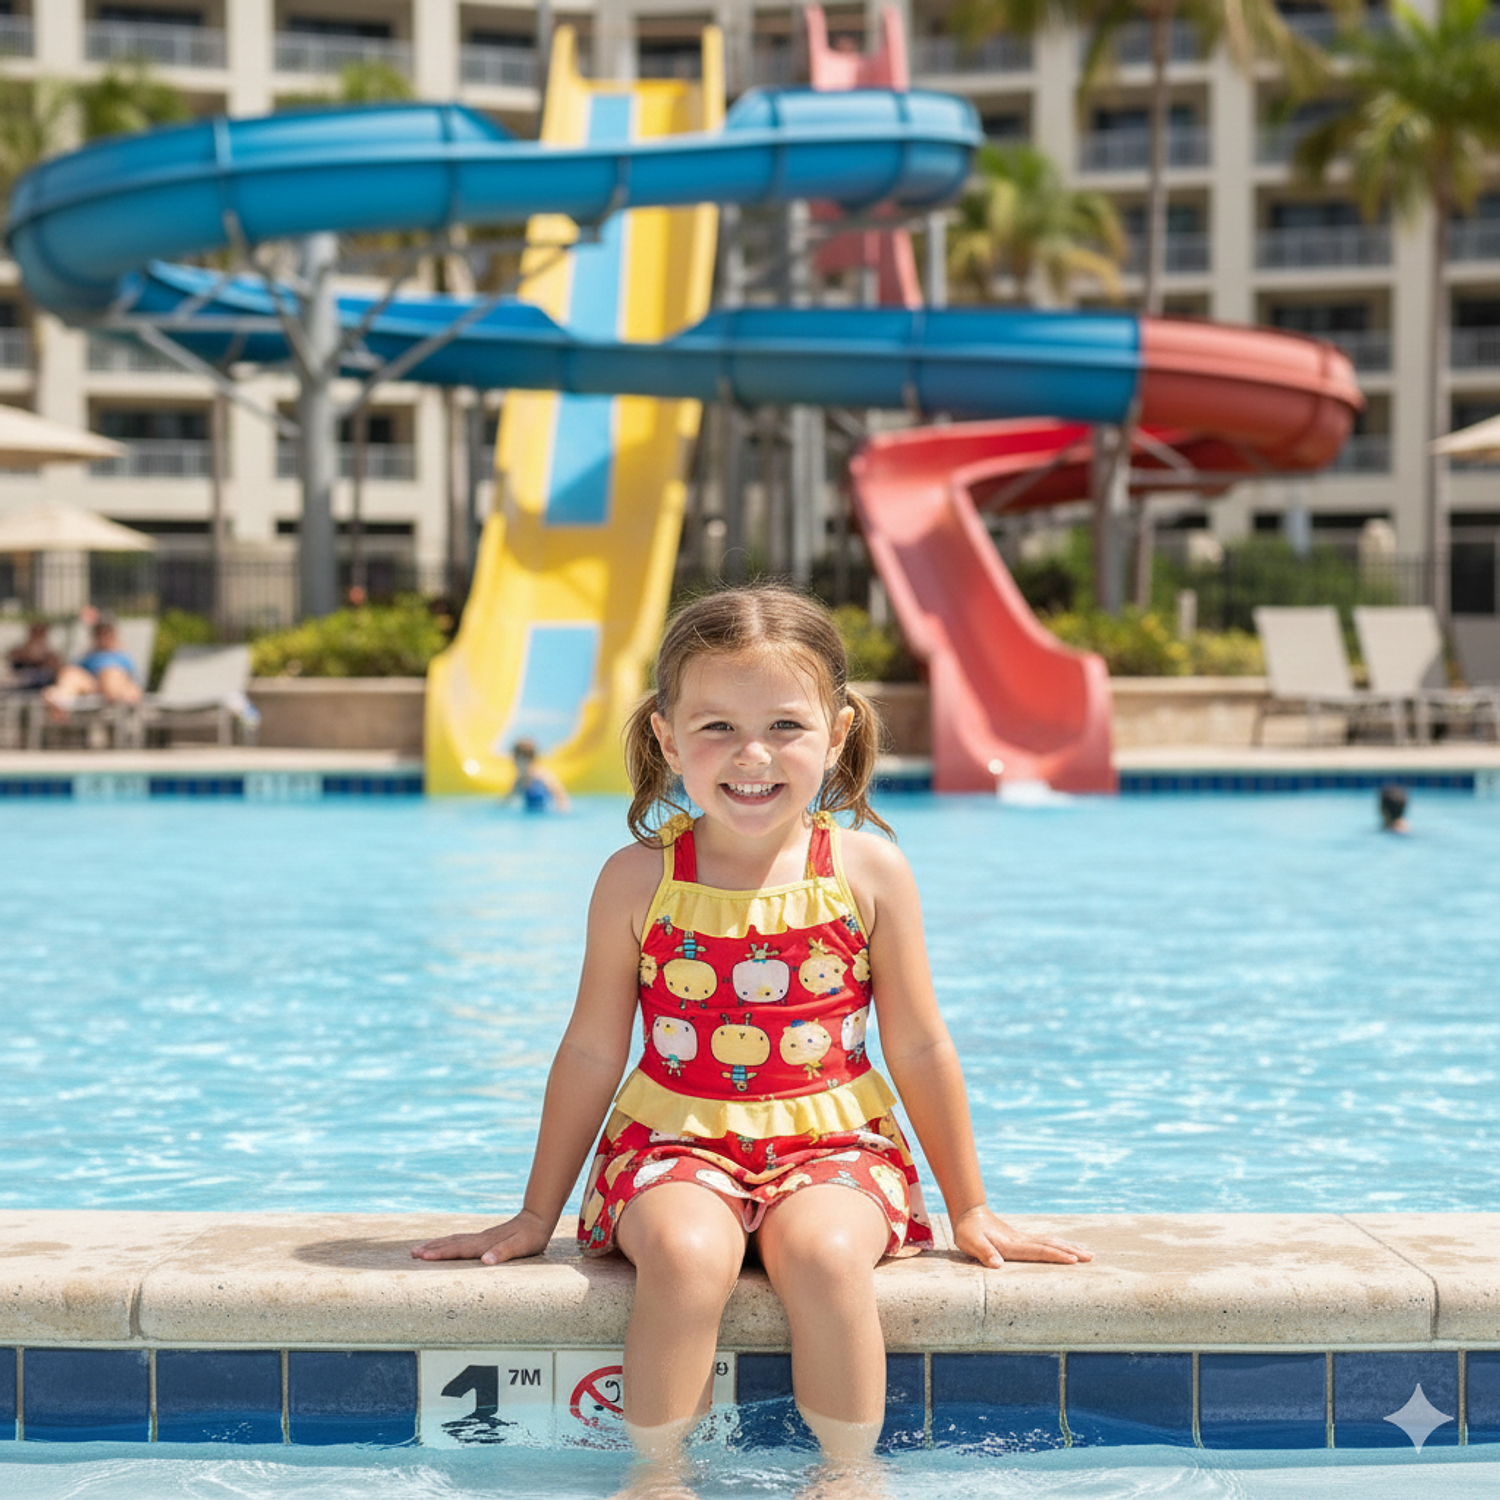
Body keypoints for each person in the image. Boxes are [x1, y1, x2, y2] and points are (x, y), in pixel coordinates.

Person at [412, 584, 1089, 1486]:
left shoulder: (869, 871)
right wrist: (539, 1213)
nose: (752, 756)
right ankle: (655, 1476)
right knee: (690, 1258)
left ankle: (847, 1474)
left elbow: (921, 1045)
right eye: (717, 728)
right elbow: (589, 1049)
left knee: (826, 1254)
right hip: (671, 1140)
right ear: (664, 735)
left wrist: (969, 1206)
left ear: (838, 731)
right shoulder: (635, 879)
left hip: (833, 1143)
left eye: (784, 726)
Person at [42, 617, 143, 721]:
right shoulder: (88, 656)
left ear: (113, 635)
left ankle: (116, 710)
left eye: (106, 634)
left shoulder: (122, 657)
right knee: (69, 673)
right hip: (90, 687)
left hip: (113, 688)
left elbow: (132, 682)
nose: (103, 638)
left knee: (109, 674)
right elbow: (70, 671)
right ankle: (60, 699)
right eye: (99, 634)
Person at [510, 736, 571, 813]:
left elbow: (561, 797)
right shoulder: (520, 781)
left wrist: (562, 812)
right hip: (531, 816)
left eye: (516, 758)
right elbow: (507, 801)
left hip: (547, 816)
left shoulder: (543, 777)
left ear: (527, 759)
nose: (513, 762)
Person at [5, 621, 62, 689]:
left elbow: (57, 668)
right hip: (20, 684)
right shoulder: (19, 650)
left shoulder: (50, 654)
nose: (38, 635)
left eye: (41, 633)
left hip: (40, 686)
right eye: (36, 632)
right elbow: (9, 658)